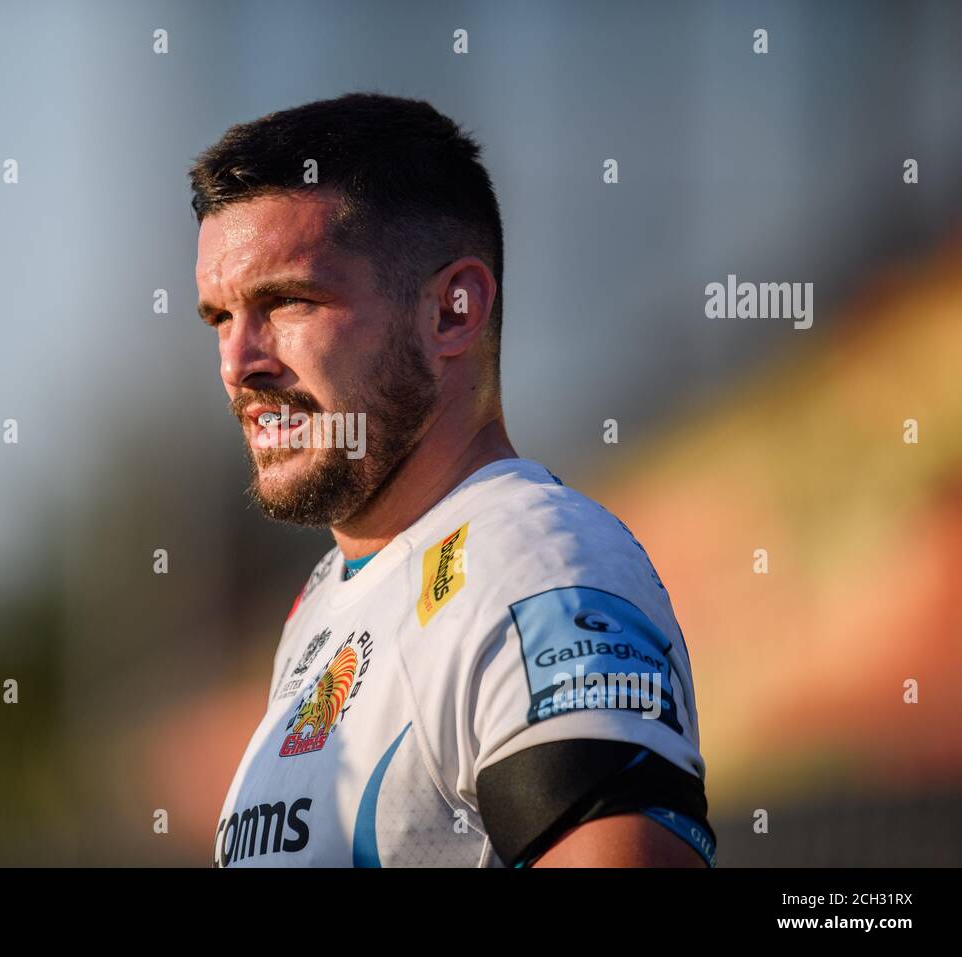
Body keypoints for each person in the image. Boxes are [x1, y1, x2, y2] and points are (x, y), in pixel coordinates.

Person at [190, 92, 715, 868]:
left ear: (453, 310)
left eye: (287, 300)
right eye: (220, 318)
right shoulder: (323, 604)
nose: (240, 365)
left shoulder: (536, 564)